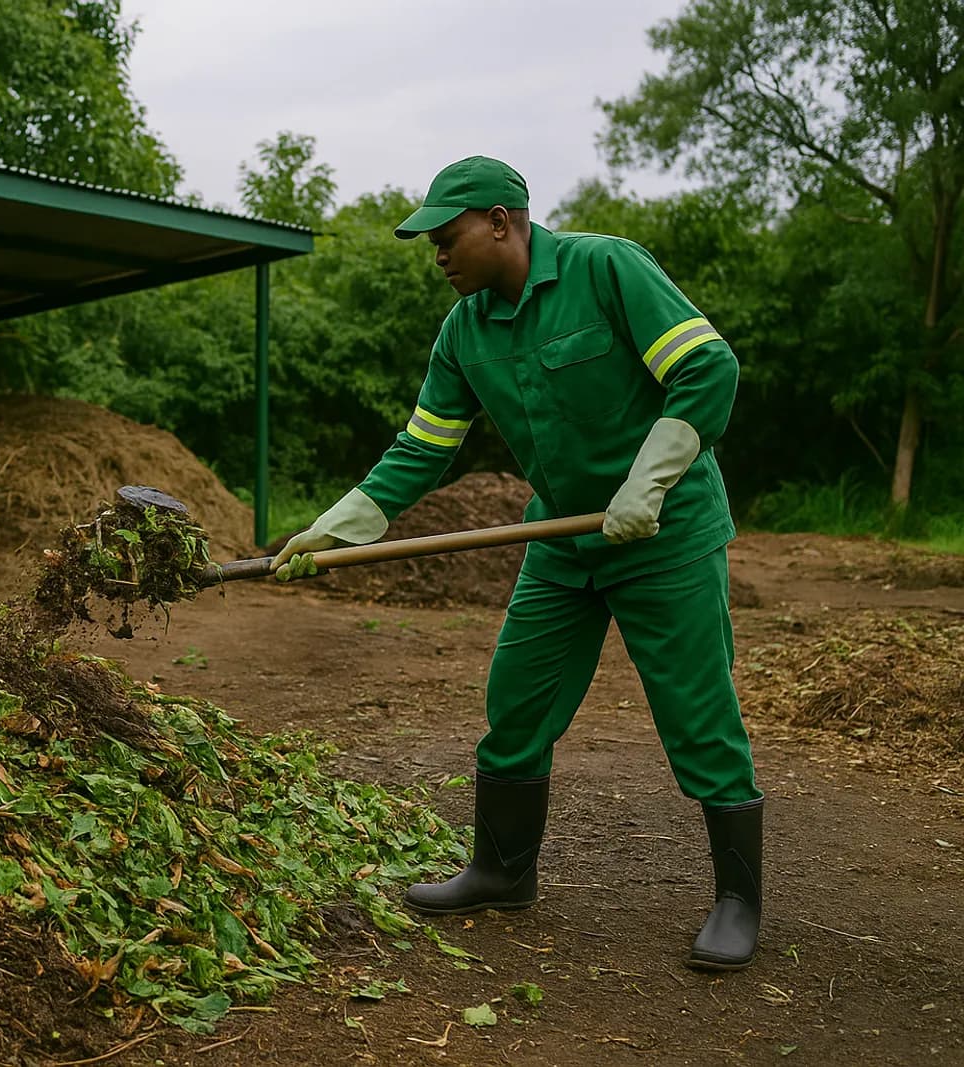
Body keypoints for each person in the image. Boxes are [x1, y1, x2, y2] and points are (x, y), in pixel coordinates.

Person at [271, 156, 763, 971]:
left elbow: (708, 368)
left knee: (697, 713)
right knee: (517, 702)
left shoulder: (606, 268)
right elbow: (423, 447)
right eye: (429, 241)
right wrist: (339, 526)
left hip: (664, 534)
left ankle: (739, 899)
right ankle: (502, 870)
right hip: (562, 544)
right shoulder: (463, 333)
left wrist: (649, 482)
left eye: (446, 234)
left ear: (502, 221)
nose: (436, 254)